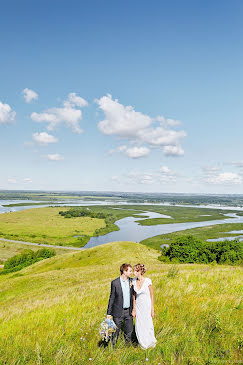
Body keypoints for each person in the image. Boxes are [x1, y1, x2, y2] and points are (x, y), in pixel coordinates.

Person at [107, 263, 135, 345]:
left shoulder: (131, 281)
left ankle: (128, 347)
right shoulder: (115, 283)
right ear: (124, 271)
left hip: (129, 311)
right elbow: (111, 298)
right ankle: (113, 347)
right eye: (130, 271)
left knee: (129, 331)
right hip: (118, 311)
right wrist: (108, 313)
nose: (131, 273)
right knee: (115, 331)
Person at [132, 263, 157, 349]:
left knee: (147, 323)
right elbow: (134, 296)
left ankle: (150, 342)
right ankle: (142, 343)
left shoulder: (148, 281)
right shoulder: (133, 281)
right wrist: (134, 309)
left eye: (134, 270)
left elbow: (152, 295)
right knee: (139, 325)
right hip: (138, 306)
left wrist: (152, 309)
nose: (133, 272)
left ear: (139, 271)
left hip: (147, 305)